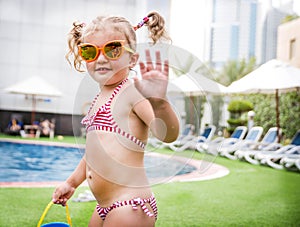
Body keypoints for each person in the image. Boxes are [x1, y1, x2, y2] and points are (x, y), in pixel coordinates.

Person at [52, 11, 179, 227]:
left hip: (131, 204)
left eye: (113, 49)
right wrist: (72, 183)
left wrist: (160, 104)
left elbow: (167, 135)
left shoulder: (132, 93)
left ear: (133, 59)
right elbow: (94, 155)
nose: (100, 58)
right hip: (104, 205)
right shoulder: (100, 97)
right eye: (90, 51)